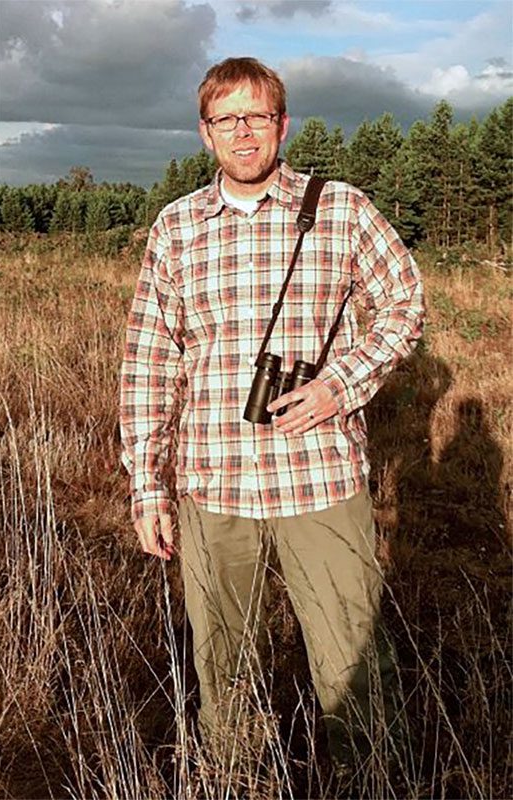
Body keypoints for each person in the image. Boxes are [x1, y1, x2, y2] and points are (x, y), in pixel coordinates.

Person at [120, 57, 425, 767]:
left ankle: (375, 778)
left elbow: (406, 303)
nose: (244, 132)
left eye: (257, 116)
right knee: (223, 670)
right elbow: (149, 362)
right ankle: (238, 778)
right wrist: (147, 487)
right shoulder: (176, 228)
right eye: (227, 119)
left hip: (319, 477)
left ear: (282, 125)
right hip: (213, 485)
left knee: (352, 661)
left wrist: (339, 385)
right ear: (206, 135)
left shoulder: (343, 208)